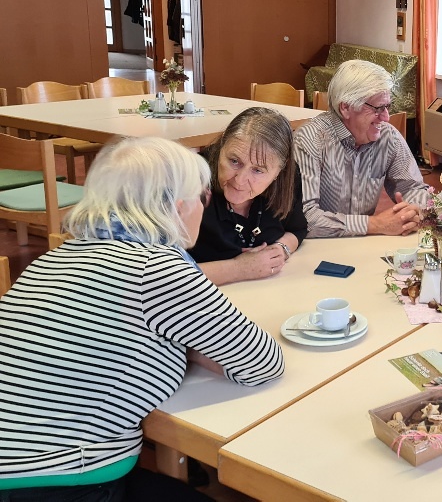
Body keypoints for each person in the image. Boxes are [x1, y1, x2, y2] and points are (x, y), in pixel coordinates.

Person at [0, 137, 284, 500]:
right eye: (203, 197)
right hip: (56, 481)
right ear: (179, 207)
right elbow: (263, 362)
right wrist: (192, 347)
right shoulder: (155, 268)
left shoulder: (57, 256)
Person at [294, 59, 430, 238]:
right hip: (320, 244)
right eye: (378, 108)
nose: (386, 117)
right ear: (345, 107)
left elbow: (414, 188)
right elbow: (305, 218)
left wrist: (411, 212)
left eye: (387, 107)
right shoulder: (310, 140)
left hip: (365, 244)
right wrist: (376, 224)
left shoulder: (388, 137)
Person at [189, 107, 307, 285]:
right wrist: (240, 269)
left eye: (258, 170)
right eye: (234, 161)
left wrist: (281, 249)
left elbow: (297, 229)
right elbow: (164, 275)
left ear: (279, 172)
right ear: (221, 147)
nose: (240, 180)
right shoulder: (192, 180)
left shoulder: (288, 179)